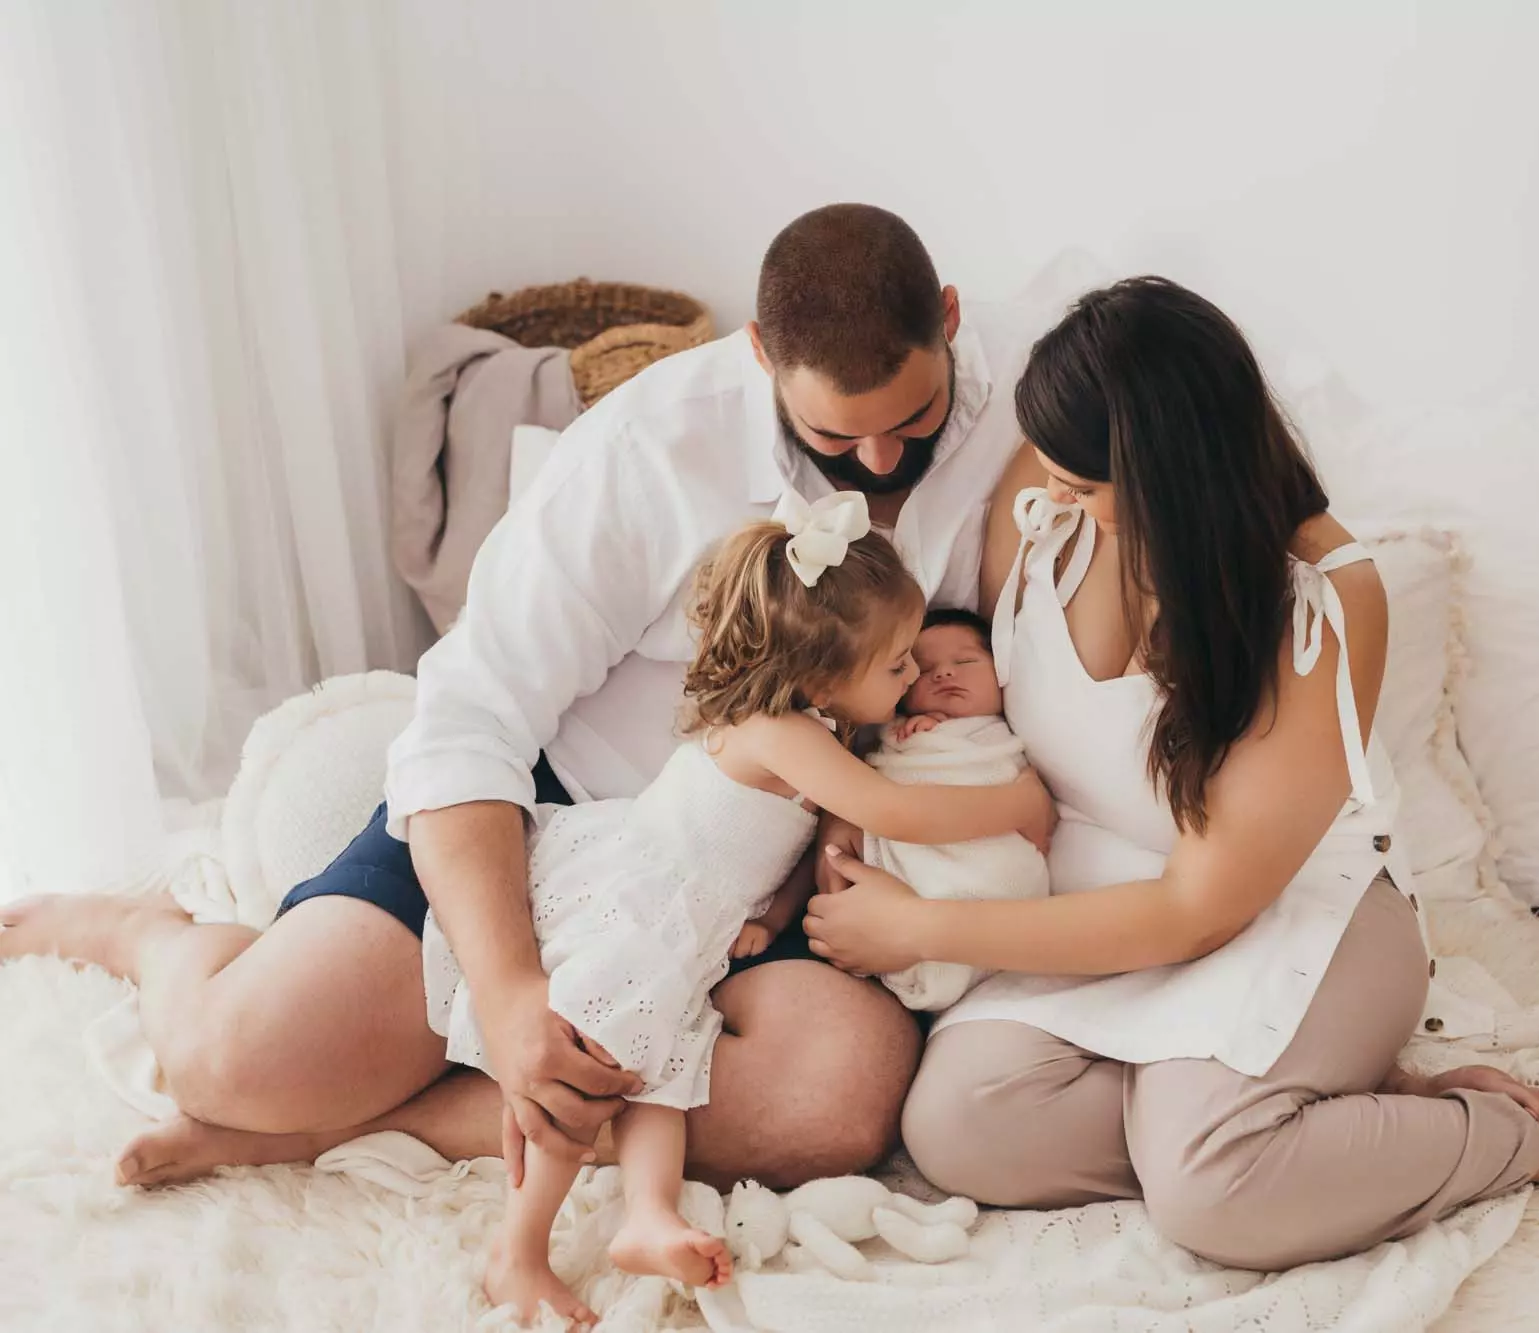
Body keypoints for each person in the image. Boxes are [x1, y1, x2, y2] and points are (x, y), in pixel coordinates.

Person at [0, 204, 1034, 1193]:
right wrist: (507, 993)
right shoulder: (644, 451)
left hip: (768, 875)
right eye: (838, 438)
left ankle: (342, 1129)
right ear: (762, 355)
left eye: (912, 419)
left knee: (827, 1106)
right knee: (231, 1061)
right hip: (562, 823)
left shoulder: (1028, 407)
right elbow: (469, 718)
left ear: (948, 319)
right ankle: (150, 936)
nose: (880, 461)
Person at [802, 276, 1539, 1270]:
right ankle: (1318, 1119)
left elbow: (1198, 910)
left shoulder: (1317, 600)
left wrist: (921, 927)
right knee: (959, 1128)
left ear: (1166, 472)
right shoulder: (1050, 496)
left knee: (1210, 1197)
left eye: (1081, 486)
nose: (1049, 497)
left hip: (1286, 913)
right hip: (1088, 910)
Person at [439, 503, 1048, 1322]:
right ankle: (517, 1251)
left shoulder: (820, 723)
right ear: (824, 679)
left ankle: (649, 1212)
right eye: (898, 663)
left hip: (704, 921)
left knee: (663, 1068)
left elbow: (791, 838)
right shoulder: (776, 729)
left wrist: (777, 909)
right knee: (591, 1062)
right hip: (648, 898)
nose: (911, 677)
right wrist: (1016, 803)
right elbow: (889, 810)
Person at [867, 608, 1049, 1011]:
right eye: (925, 669)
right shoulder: (900, 734)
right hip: (918, 865)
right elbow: (880, 781)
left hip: (994, 878)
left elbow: (1038, 824)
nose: (945, 674)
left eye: (965, 662)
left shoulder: (1006, 736)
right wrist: (913, 739)